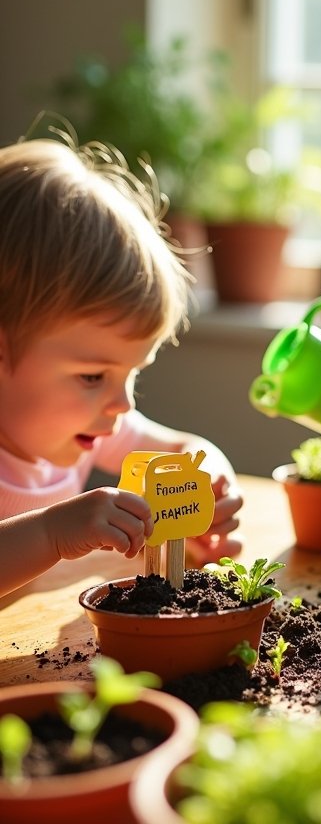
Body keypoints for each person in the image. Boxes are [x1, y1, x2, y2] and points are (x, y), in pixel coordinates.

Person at [0, 134, 243, 598]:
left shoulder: (91, 421)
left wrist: (207, 484)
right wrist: (51, 534)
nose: (121, 403)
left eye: (132, 372)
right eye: (93, 376)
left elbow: (182, 450)